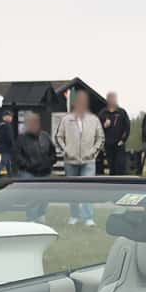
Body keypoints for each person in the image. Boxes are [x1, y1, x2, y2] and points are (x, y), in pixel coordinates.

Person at [52, 90, 104, 224]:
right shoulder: (66, 119)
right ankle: (74, 215)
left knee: (87, 189)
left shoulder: (94, 119)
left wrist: (93, 152)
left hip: (88, 160)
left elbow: (100, 138)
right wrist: (65, 150)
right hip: (70, 160)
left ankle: (88, 217)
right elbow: (58, 137)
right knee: (72, 190)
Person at [11, 111, 56, 221]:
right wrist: (28, 165)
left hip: (45, 171)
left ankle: (41, 213)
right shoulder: (21, 139)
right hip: (28, 172)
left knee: (45, 195)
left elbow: (52, 153)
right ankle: (31, 217)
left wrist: (48, 163)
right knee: (31, 195)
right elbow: (17, 156)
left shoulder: (45, 136)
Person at [99, 92, 131, 177]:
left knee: (120, 166)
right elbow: (98, 129)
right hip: (108, 144)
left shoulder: (121, 112)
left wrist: (123, 140)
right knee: (111, 167)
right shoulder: (103, 113)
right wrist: (104, 125)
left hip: (119, 144)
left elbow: (127, 127)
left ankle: (121, 185)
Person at [0, 108, 16, 178]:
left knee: (8, 162)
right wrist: (13, 146)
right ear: (5, 117)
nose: (11, 118)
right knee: (3, 162)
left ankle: (10, 176)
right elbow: (9, 137)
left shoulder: (0, 125)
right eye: (9, 116)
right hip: (6, 147)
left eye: (11, 116)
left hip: (1, 146)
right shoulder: (7, 126)